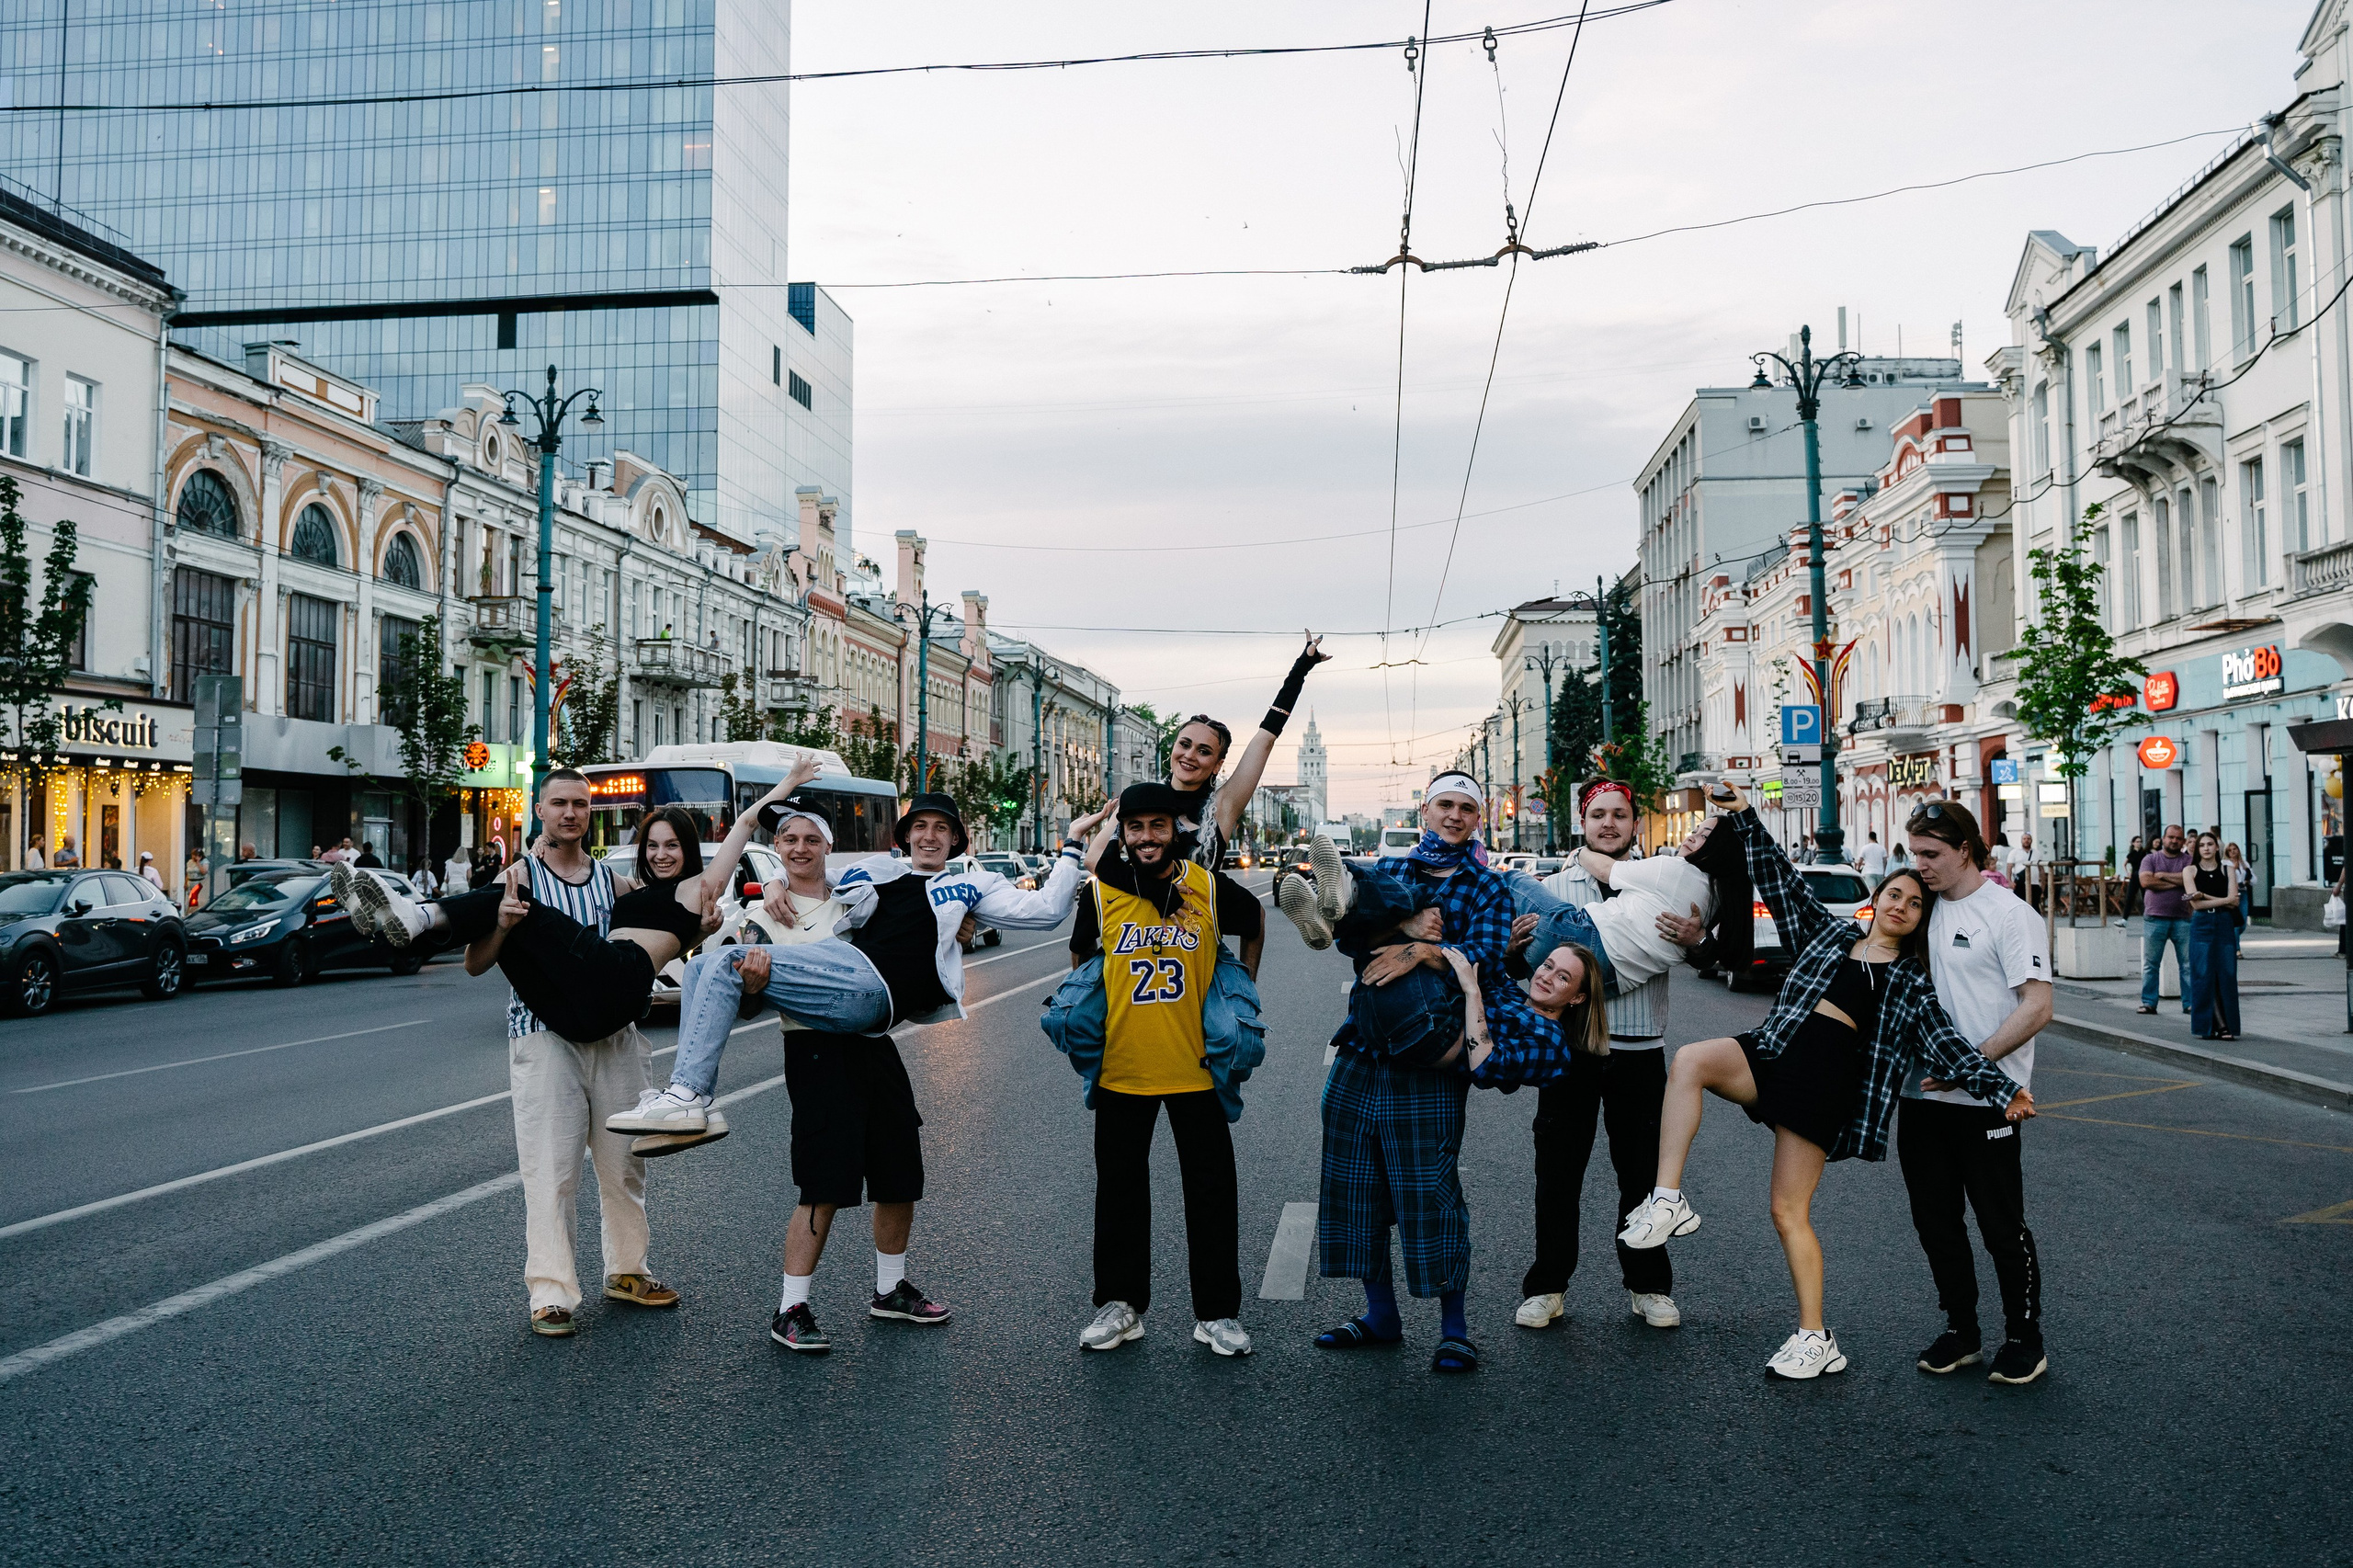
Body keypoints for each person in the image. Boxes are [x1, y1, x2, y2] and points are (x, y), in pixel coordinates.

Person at [330, 767, 781, 1337]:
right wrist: (501, 925)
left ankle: (627, 1271)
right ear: (539, 812)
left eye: (580, 805)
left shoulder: (617, 886)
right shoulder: (518, 877)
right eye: (560, 804)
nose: (571, 813)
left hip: (614, 1035)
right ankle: (551, 1294)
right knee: (551, 1170)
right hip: (544, 1033)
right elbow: (476, 964)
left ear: (590, 814)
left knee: (624, 1165)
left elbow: (659, 939)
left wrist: (713, 924)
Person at [1618, 787, 2033, 1381]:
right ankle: (1668, 1198)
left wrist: (2004, 1090)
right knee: (1688, 1060)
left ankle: (1816, 1338)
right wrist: (1743, 816)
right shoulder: (1829, 937)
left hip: (1822, 1091)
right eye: (1894, 894)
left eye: (1914, 904)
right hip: (1774, 1054)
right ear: (1876, 900)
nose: (1901, 906)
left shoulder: (1910, 984)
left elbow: (1947, 1044)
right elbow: (1782, 883)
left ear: (1920, 920)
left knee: (1788, 1213)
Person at [621, 787, 1110, 1135]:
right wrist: (772, 883)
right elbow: (807, 866)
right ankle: (688, 1098)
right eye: (920, 827)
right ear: (906, 835)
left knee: (721, 966)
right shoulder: (879, 870)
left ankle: (688, 1096)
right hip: (841, 969)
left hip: (874, 988)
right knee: (711, 965)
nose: (930, 837)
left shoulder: (971, 884)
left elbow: (1046, 913)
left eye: (942, 830)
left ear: (956, 840)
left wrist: (1071, 846)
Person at [1306, 773, 1515, 1375]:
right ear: (1425, 811)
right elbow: (1358, 947)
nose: (1454, 816)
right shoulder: (1395, 872)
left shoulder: (1487, 887)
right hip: (1362, 1049)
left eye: (1466, 808)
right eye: (1444, 805)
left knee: (1429, 1193)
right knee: (1354, 1189)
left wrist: (1426, 952)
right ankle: (1380, 1317)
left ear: (1478, 819)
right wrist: (1403, 931)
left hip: (1429, 1056)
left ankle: (1455, 1330)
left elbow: (1489, 959)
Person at [1056, 783, 1269, 1358]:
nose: (1146, 838)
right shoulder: (1100, 893)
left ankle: (1217, 1313)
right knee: (1120, 1192)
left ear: (1176, 830)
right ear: (1122, 834)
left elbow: (1254, 923)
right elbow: (1081, 963)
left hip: (1196, 1068)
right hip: (1123, 1067)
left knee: (1211, 1195)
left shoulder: (1207, 887)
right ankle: (1122, 1306)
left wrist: (1241, 987)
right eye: (1135, 827)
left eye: (1157, 826)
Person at [1495, 780, 1705, 1334]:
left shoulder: (1663, 884)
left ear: (1635, 825)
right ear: (1582, 824)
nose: (1609, 824)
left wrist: (1696, 937)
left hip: (1638, 1052)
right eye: (1598, 816)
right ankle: (1547, 1287)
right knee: (1558, 1173)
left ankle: (1648, 1286)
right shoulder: (1556, 886)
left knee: (1640, 1176)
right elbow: (1523, 973)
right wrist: (1517, 952)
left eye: (1620, 816)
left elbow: (1706, 951)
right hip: (1569, 1053)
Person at [746, 799, 947, 1353]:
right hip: (813, 1051)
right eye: (790, 840)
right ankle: (791, 1307)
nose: (801, 848)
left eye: (812, 839)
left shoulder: (861, 899)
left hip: (874, 1045)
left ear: (829, 847)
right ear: (778, 849)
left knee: (899, 1167)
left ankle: (890, 1290)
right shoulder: (763, 916)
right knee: (826, 1179)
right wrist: (753, 982)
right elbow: (741, 1005)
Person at [1898, 799, 2056, 1387]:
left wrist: (1972, 1063)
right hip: (1920, 1099)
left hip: (1987, 1098)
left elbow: (2038, 1005)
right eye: (1915, 854)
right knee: (1934, 1220)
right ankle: (1962, 1329)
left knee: (1999, 1223)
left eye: (1931, 854)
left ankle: (2024, 1337)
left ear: (1966, 849)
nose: (1921, 866)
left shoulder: (2009, 915)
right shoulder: (1921, 910)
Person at [1139, 635, 1329, 875]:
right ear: (1173, 749)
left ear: (1218, 765)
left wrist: (1299, 670)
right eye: (1184, 744)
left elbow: (1265, 738)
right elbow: (1095, 860)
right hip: (1139, 912)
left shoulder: (1223, 805)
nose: (1190, 755)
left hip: (1199, 912)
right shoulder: (1140, 799)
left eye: (1204, 751)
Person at [2187, 831, 2241, 1041]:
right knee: (2203, 973)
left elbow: (2235, 902)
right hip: (2201, 924)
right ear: (2197, 849)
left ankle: (2226, 1024)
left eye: (2210, 844)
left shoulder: (2228, 869)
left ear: (2217, 847)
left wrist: (2206, 896)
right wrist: (2223, 900)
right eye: (2202, 845)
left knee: (2226, 973)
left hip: (2224, 923)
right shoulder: (2189, 870)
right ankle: (2213, 1026)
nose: (2206, 848)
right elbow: (2196, 904)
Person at [2138, 824, 2194, 1017]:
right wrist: (2179, 881)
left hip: (2183, 919)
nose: (2174, 841)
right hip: (2155, 918)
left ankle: (2190, 1003)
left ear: (2183, 841)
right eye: (2171, 837)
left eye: (2178, 838)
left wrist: (2162, 876)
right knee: (2151, 964)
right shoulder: (2150, 859)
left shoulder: (2189, 860)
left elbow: (2192, 882)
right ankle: (2148, 1002)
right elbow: (2146, 882)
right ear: (2163, 838)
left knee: (2187, 964)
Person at [2122, 835, 2147, 917]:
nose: (2139, 843)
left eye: (2140, 842)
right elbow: (2124, 864)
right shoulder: (2131, 854)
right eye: (2137, 842)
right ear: (2133, 843)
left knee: (2145, 895)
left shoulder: (2144, 853)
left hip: (2143, 875)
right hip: (2135, 875)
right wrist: (2127, 873)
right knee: (2130, 896)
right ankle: (2125, 917)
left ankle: (2148, 913)